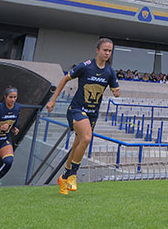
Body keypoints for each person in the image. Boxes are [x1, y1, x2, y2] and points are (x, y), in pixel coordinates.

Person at [45, 37, 121, 195]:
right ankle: (73, 174)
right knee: (87, 138)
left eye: (110, 51)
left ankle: (64, 177)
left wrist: (116, 92)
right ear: (97, 50)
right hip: (77, 109)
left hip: (93, 113)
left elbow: (115, 90)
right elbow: (65, 79)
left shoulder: (109, 71)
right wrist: (53, 100)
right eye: (105, 50)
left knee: (77, 144)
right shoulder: (86, 66)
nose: (107, 53)